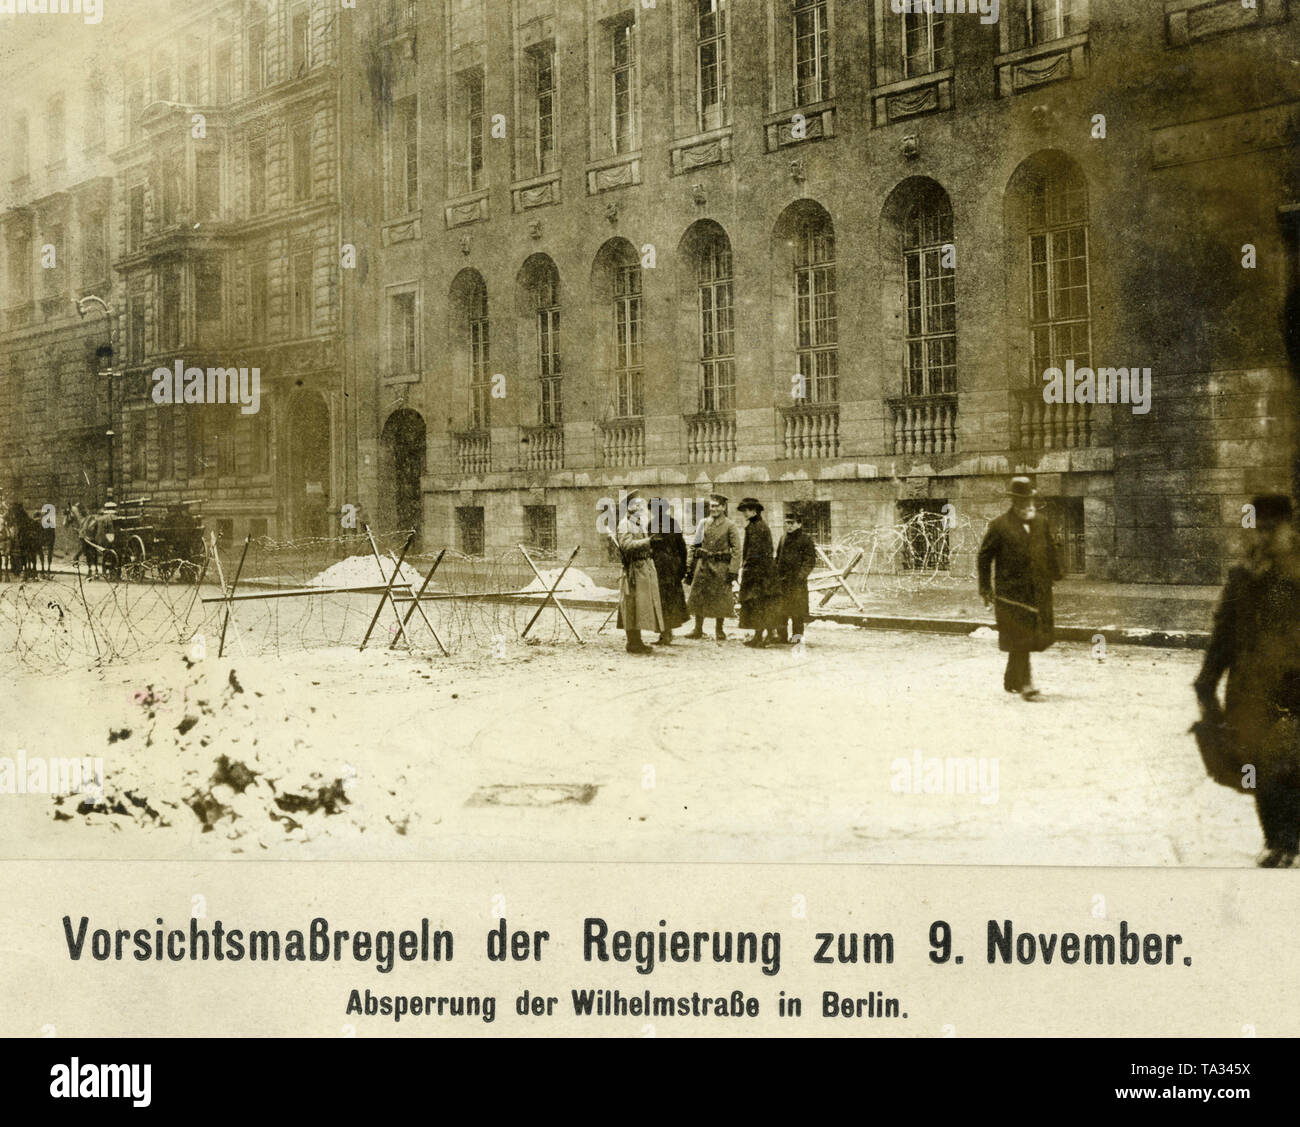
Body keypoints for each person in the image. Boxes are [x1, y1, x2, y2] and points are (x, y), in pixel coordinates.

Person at [1195, 493, 1300, 867]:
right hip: (1251, 688)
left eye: (1274, 529)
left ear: (1290, 529)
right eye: (1259, 529)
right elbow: (1224, 632)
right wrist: (1206, 681)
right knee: (1260, 764)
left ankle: (1290, 839)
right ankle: (1278, 840)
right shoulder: (1242, 577)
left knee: (1289, 763)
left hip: (1293, 687)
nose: (1265, 538)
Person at [976, 477, 1063, 700]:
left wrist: (1055, 573)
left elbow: (1050, 549)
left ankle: (1012, 679)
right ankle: (1026, 684)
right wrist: (985, 588)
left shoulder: (1041, 522)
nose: (1028, 506)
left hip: (1038, 591)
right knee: (1022, 636)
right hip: (1011, 594)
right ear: (1014, 502)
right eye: (1023, 502)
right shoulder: (999, 526)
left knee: (1028, 637)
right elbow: (984, 557)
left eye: (1030, 501)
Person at [686, 493, 741, 641]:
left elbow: (737, 550)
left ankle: (719, 630)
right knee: (698, 596)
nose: (714, 509)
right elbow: (694, 545)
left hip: (720, 566)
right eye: (712, 506)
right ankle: (697, 629)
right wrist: (689, 565)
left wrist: (733, 571)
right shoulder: (703, 523)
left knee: (720, 598)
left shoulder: (730, 525)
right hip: (703, 565)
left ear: (723, 507)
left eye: (717, 506)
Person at [615, 490, 664, 655]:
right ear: (627, 507)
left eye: (639, 504)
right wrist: (648, 541)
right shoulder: (624, 524)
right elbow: (626, 546)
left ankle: (637, 641)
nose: (638, 506)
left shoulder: (638, 523)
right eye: (634, 504)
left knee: (639, 607)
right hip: (633, 571)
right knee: (631, 606)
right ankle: (632, 643)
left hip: (643, 569)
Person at [773, 504, 818, 645]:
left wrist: (800, 576)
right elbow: (778, 558)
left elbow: (810, 561)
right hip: (782, 581)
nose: (789, 526)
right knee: (781, 611)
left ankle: (797, 637)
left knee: (797, 612)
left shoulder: (806, 540)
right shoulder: (783, 538)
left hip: (797, 583)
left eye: (792, 523)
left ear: (799, 524)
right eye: (786, 523)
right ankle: (781, 636)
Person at [735, 497, 776, 648]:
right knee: (758, 604)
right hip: (758, 572)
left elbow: (755, 553)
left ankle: (760, 637)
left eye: (747, 510)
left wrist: (746, 568)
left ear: (754, 510)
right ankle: (760, 636)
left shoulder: (758, 527)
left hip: (759, 574)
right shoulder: (755, 525)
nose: (745, 513)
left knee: (758, 604)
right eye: (744, 511)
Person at [648, 498, 689, 645]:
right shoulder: (651, 524)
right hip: (656, 567)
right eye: (653, 509)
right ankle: (664, 632)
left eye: (659, 509)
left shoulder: (672, 523)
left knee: (668, 600)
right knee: (659, 600)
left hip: (670, 568)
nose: (656, 512)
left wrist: (683, 567)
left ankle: (667, 633)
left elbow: (681, 546)